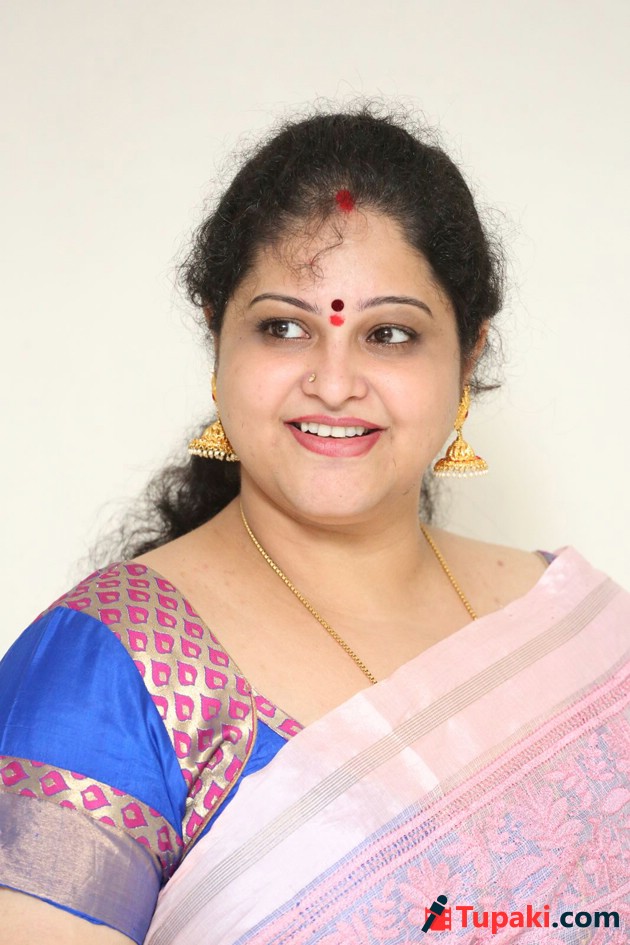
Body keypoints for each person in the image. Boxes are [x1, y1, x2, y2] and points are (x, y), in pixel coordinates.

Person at [1, 106, 628, 945]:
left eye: (390, 334)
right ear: (216, 337)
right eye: (284, 327)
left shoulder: (577, 633)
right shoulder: (108, 675)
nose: (334, 383)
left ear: (469, 357)